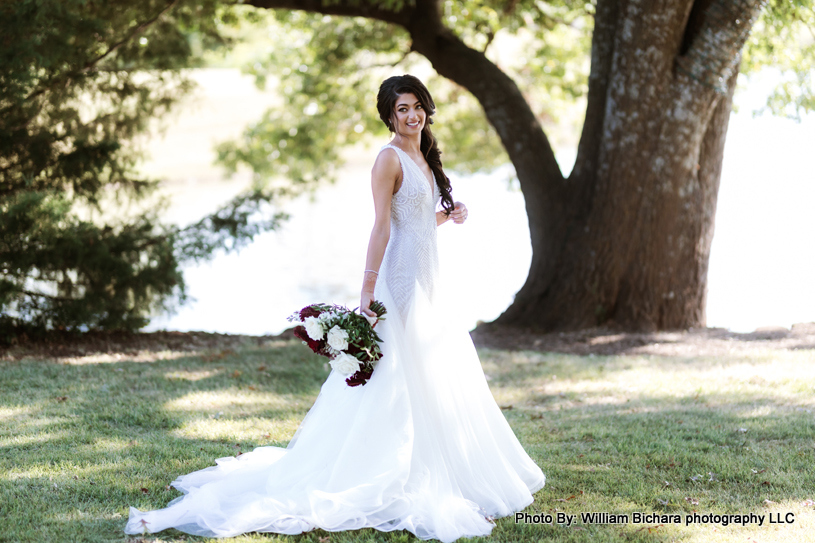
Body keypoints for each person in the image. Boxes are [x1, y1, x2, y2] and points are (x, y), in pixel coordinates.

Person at [125, 74, 544, 542]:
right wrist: (367, 290)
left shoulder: (422, 153)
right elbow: (382, 228)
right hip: (400, 282)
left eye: (416, 106)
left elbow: (418, 223)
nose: (411, 116)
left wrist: (449, 214)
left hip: (430, 282)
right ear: (389, 115)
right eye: (401, 109)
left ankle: (441, 464)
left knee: (432, 369)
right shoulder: (387, 159)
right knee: (398, 373)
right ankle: (387, 471)